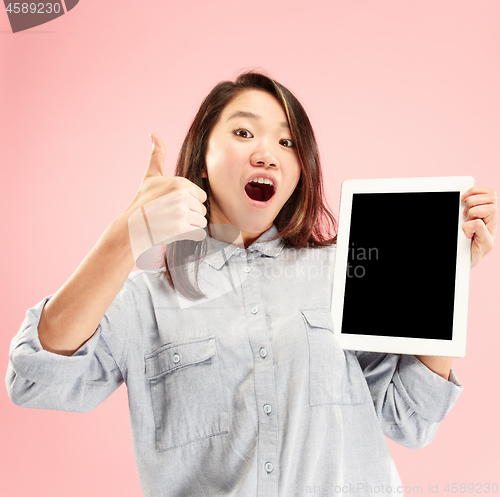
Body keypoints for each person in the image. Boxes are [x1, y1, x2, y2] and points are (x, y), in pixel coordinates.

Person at [6, 72, 497, 496]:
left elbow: (409, 420)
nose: (268, 153)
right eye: (244, 132)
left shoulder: (344, 271)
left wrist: (446, 279)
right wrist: (124, 236)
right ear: (202, 155)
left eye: (287, 142)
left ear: (300, 171)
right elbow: (35, 379)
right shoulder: (143, 301)